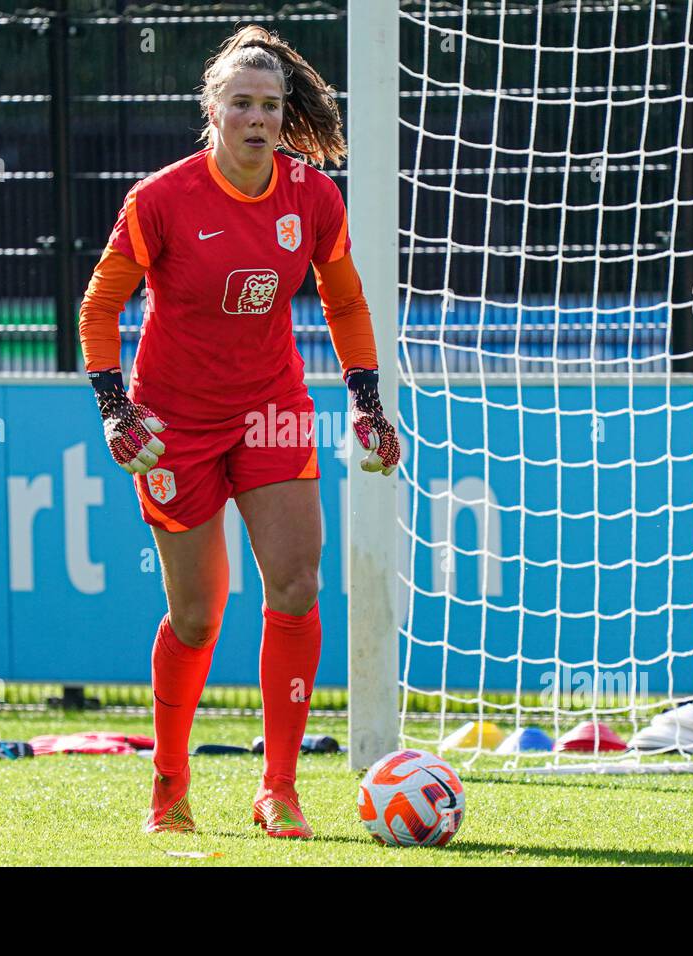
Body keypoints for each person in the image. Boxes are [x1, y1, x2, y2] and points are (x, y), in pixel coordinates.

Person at [78, 24, 399, 839]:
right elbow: (99, 307)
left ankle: (279, 789)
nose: (258, 118)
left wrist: (365, 399)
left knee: (295, 585)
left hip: (271, 407)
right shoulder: (160, 200)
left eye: (271, 105)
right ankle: (169, 785)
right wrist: (117, 408)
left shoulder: (312, 197)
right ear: (211, 111)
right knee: (198, 613)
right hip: (174, 423)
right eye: (242, 104)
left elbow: (346, 301)